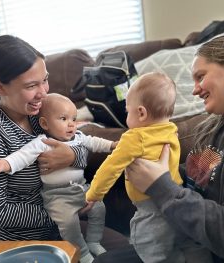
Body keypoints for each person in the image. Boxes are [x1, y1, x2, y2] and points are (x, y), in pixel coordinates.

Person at [95, 34, 224, 263]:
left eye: (201, 77)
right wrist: (152, 163)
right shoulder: (216, 127)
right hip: (189, 240)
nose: (195, 90)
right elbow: (199, 175)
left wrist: (162, 186)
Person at [0, 35, 89, 241]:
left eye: (45, 80)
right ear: (0, 87)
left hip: (63, 229)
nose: (43, 93)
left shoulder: (41, 113)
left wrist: (71, 156)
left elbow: (81, 143)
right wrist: (61, 214)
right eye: (31, 86)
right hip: (18, 241)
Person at [0, 93, 117, 263]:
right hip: (57, 195)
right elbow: (23, 155)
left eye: (74, 118)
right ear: (45, 124)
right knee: (68, 222)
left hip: (80, 186)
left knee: (99, 208)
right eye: (63, 119)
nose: (71, 124)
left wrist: (113, 145)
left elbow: (95, 142)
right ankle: (82, 251)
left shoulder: (78, 137)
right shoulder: (42, 142)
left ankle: (93, 241)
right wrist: (5, 164)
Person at [85, 72, 185, 263]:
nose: (126, 115)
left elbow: (110, 167)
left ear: (141, 113)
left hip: (151, 207)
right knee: (177, 242)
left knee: (149, 249)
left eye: (127, 110)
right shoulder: (171, 130)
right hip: (177, 199)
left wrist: (93, 194)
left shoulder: (135, 137)